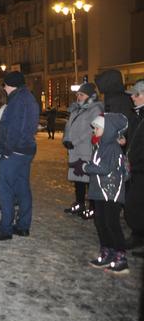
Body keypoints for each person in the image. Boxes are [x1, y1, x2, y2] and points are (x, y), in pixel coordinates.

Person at [70, 113, 130, 274]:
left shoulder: (111, 147)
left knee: (111, 223)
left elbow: (105, 168)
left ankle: (120, 256)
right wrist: (87, 165)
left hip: (111, 193)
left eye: (97, 128)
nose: (94, 130)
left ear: (108, 130)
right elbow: (99, 164)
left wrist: (85, 168)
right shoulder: (102, 145)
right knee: (101, 222)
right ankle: (107, 251)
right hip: (100, 191)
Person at [0, 71, 39, 241]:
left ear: (11, 85)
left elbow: (15, 127)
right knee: (22, 187)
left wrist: (7, 151)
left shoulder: (17, 100)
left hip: (14, 151)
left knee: (5, 189)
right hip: (25, 150)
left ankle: (5, 228)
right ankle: (23, 226)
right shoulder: (28, 97)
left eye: (5, 85)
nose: (4, 88)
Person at [62, 83, 103, 219]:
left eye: (81, 94)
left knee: (89, 179)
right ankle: (79, 203)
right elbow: (69, 127)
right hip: (74, 150)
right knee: (78, 178)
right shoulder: (76, 109)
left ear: (90, 96)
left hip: (86, 149)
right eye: (78, 94)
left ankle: (93, 207)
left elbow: (91, 130)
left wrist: (74, 141)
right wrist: (66, 139)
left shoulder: (95, 109)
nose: (78, 97)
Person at [124, 80, 144, 249]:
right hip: (134, 168)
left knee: (137, 203)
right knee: (134, 203)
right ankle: (137, 235)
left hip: (140, 168)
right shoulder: (136, 115)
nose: (132, 97)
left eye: (136, 94)